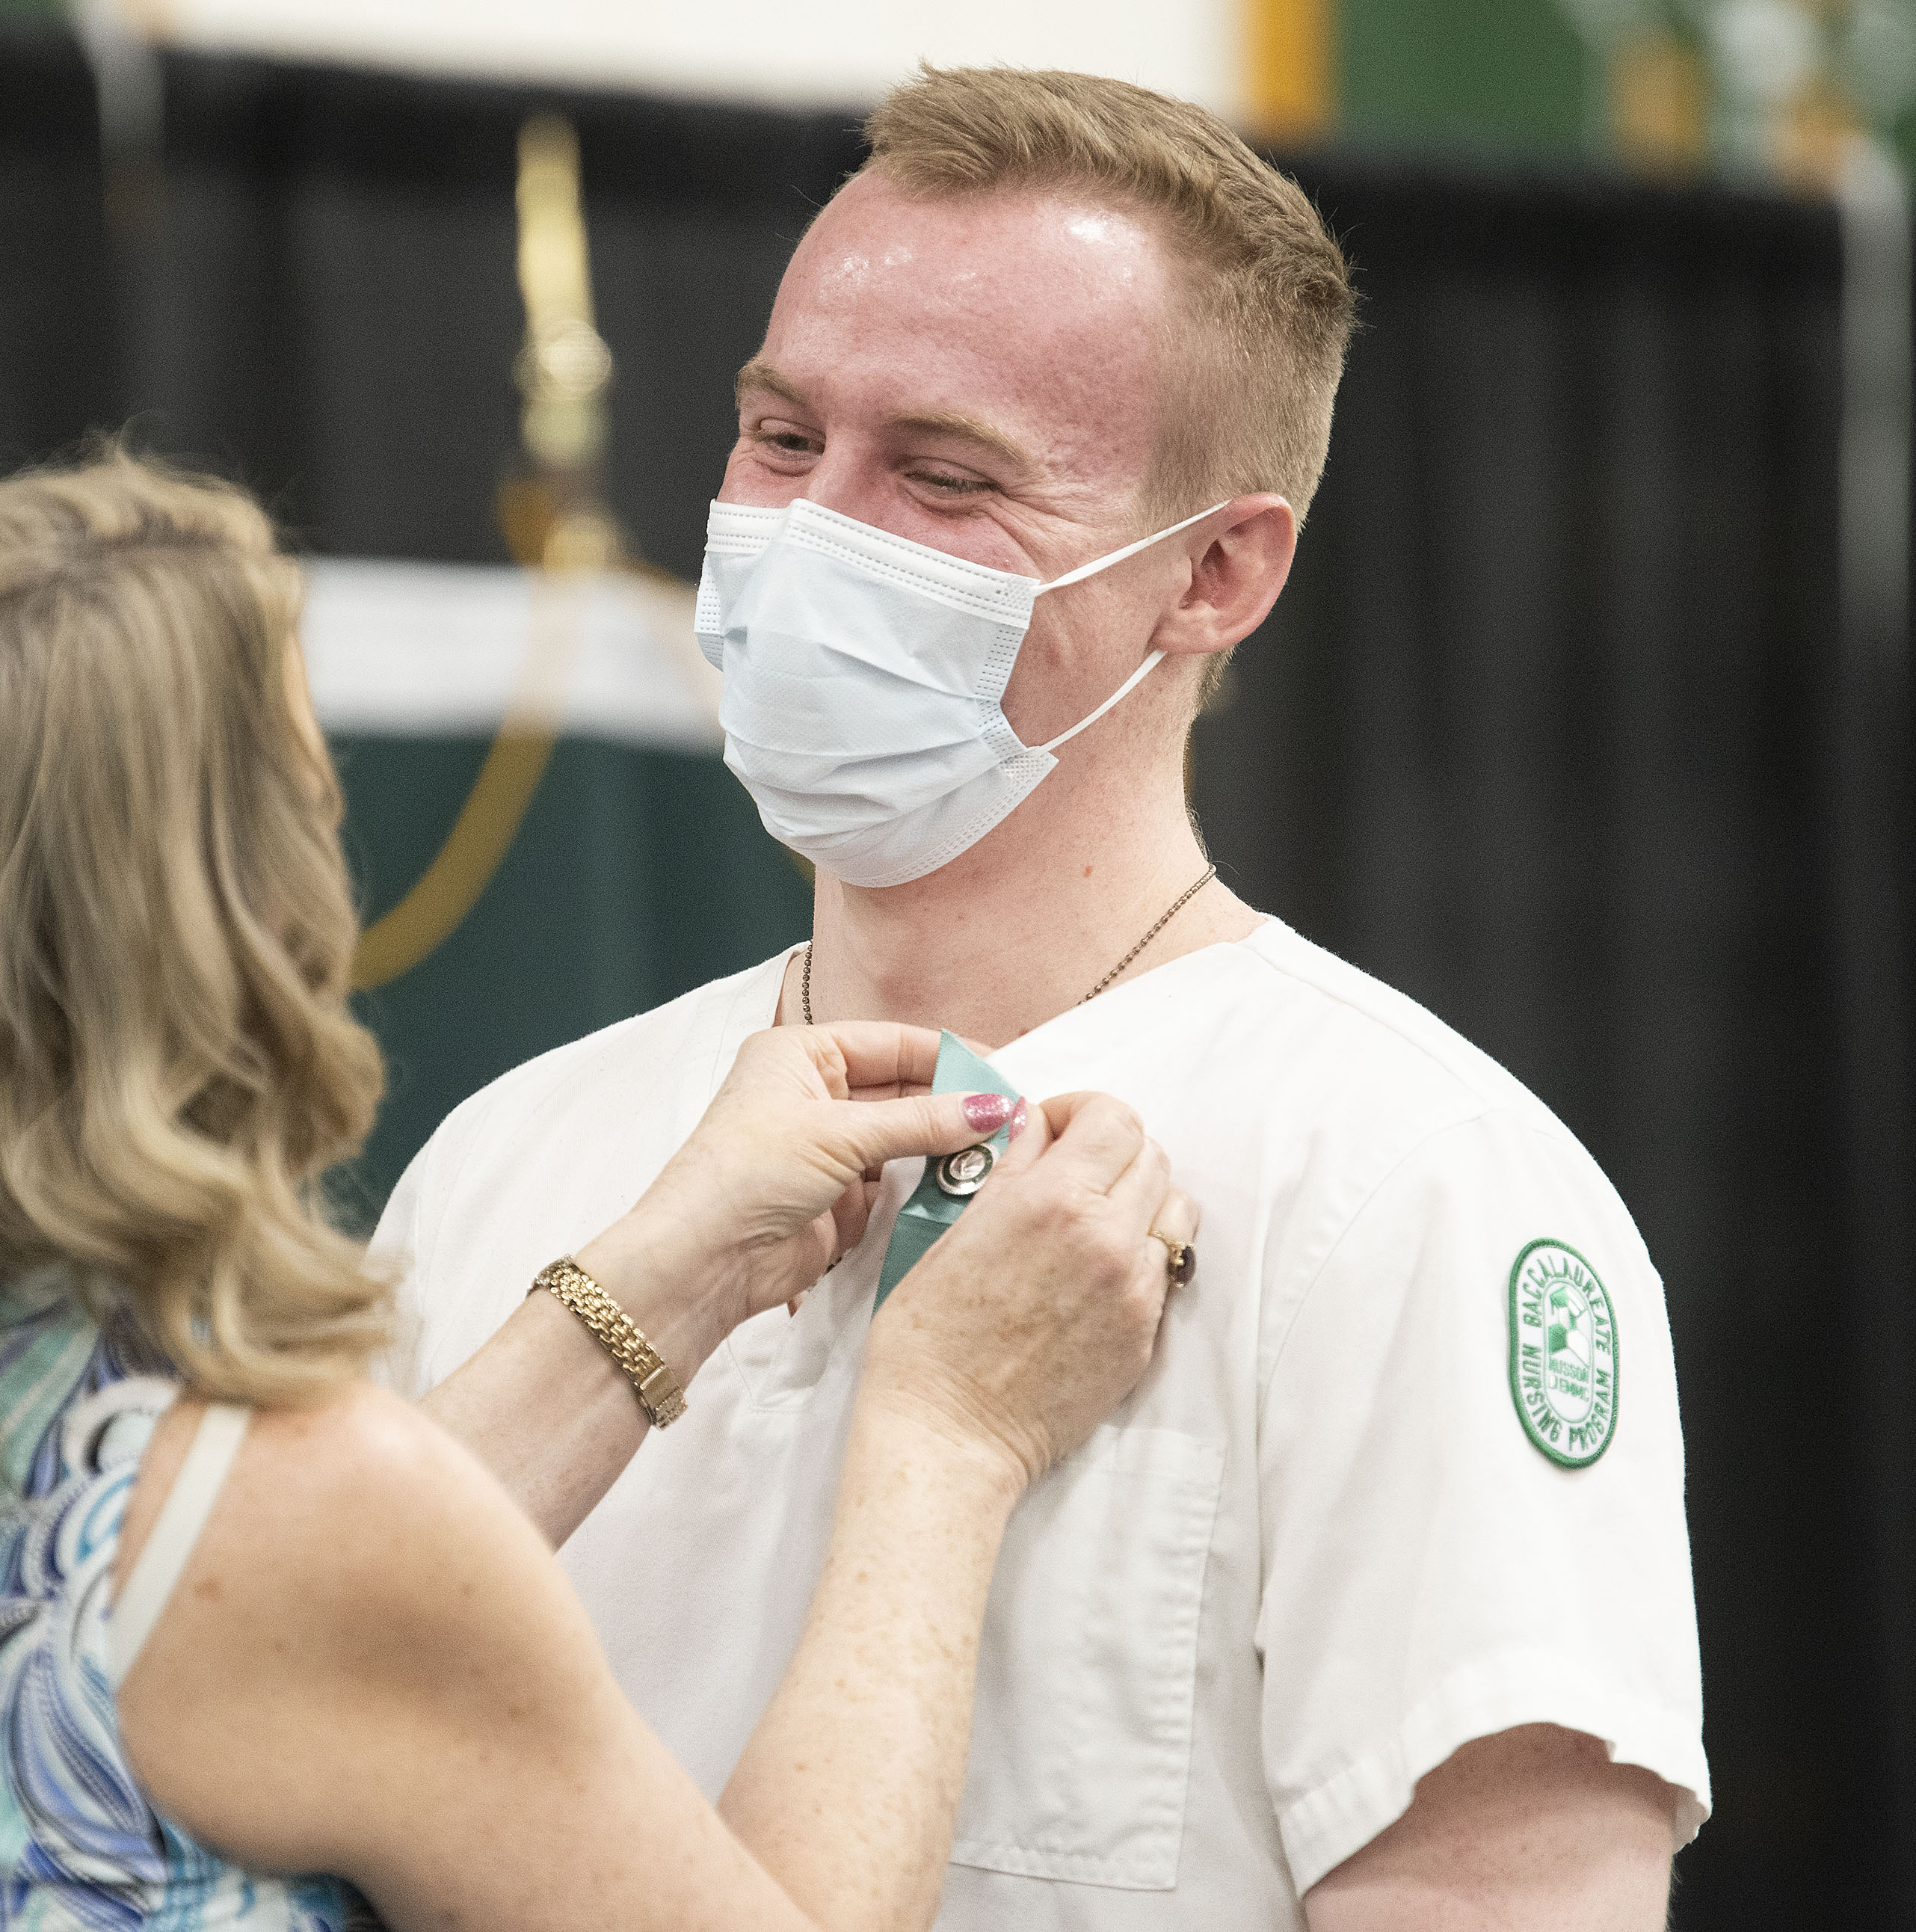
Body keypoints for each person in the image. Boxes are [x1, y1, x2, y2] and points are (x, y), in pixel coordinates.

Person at [0, 447, 1201, 1932]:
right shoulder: (282, 1518)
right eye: (315, 816)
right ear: (208, 926)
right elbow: (260, 1596)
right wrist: (945, 1438)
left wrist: (674, 1269)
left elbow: (194, 1640)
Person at [376, 64, 1705, 1931]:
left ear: (1217, 571)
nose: (810, 533)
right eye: (778, 438)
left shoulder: (1413, 1187)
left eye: (943, 475)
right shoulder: (514, 1159)